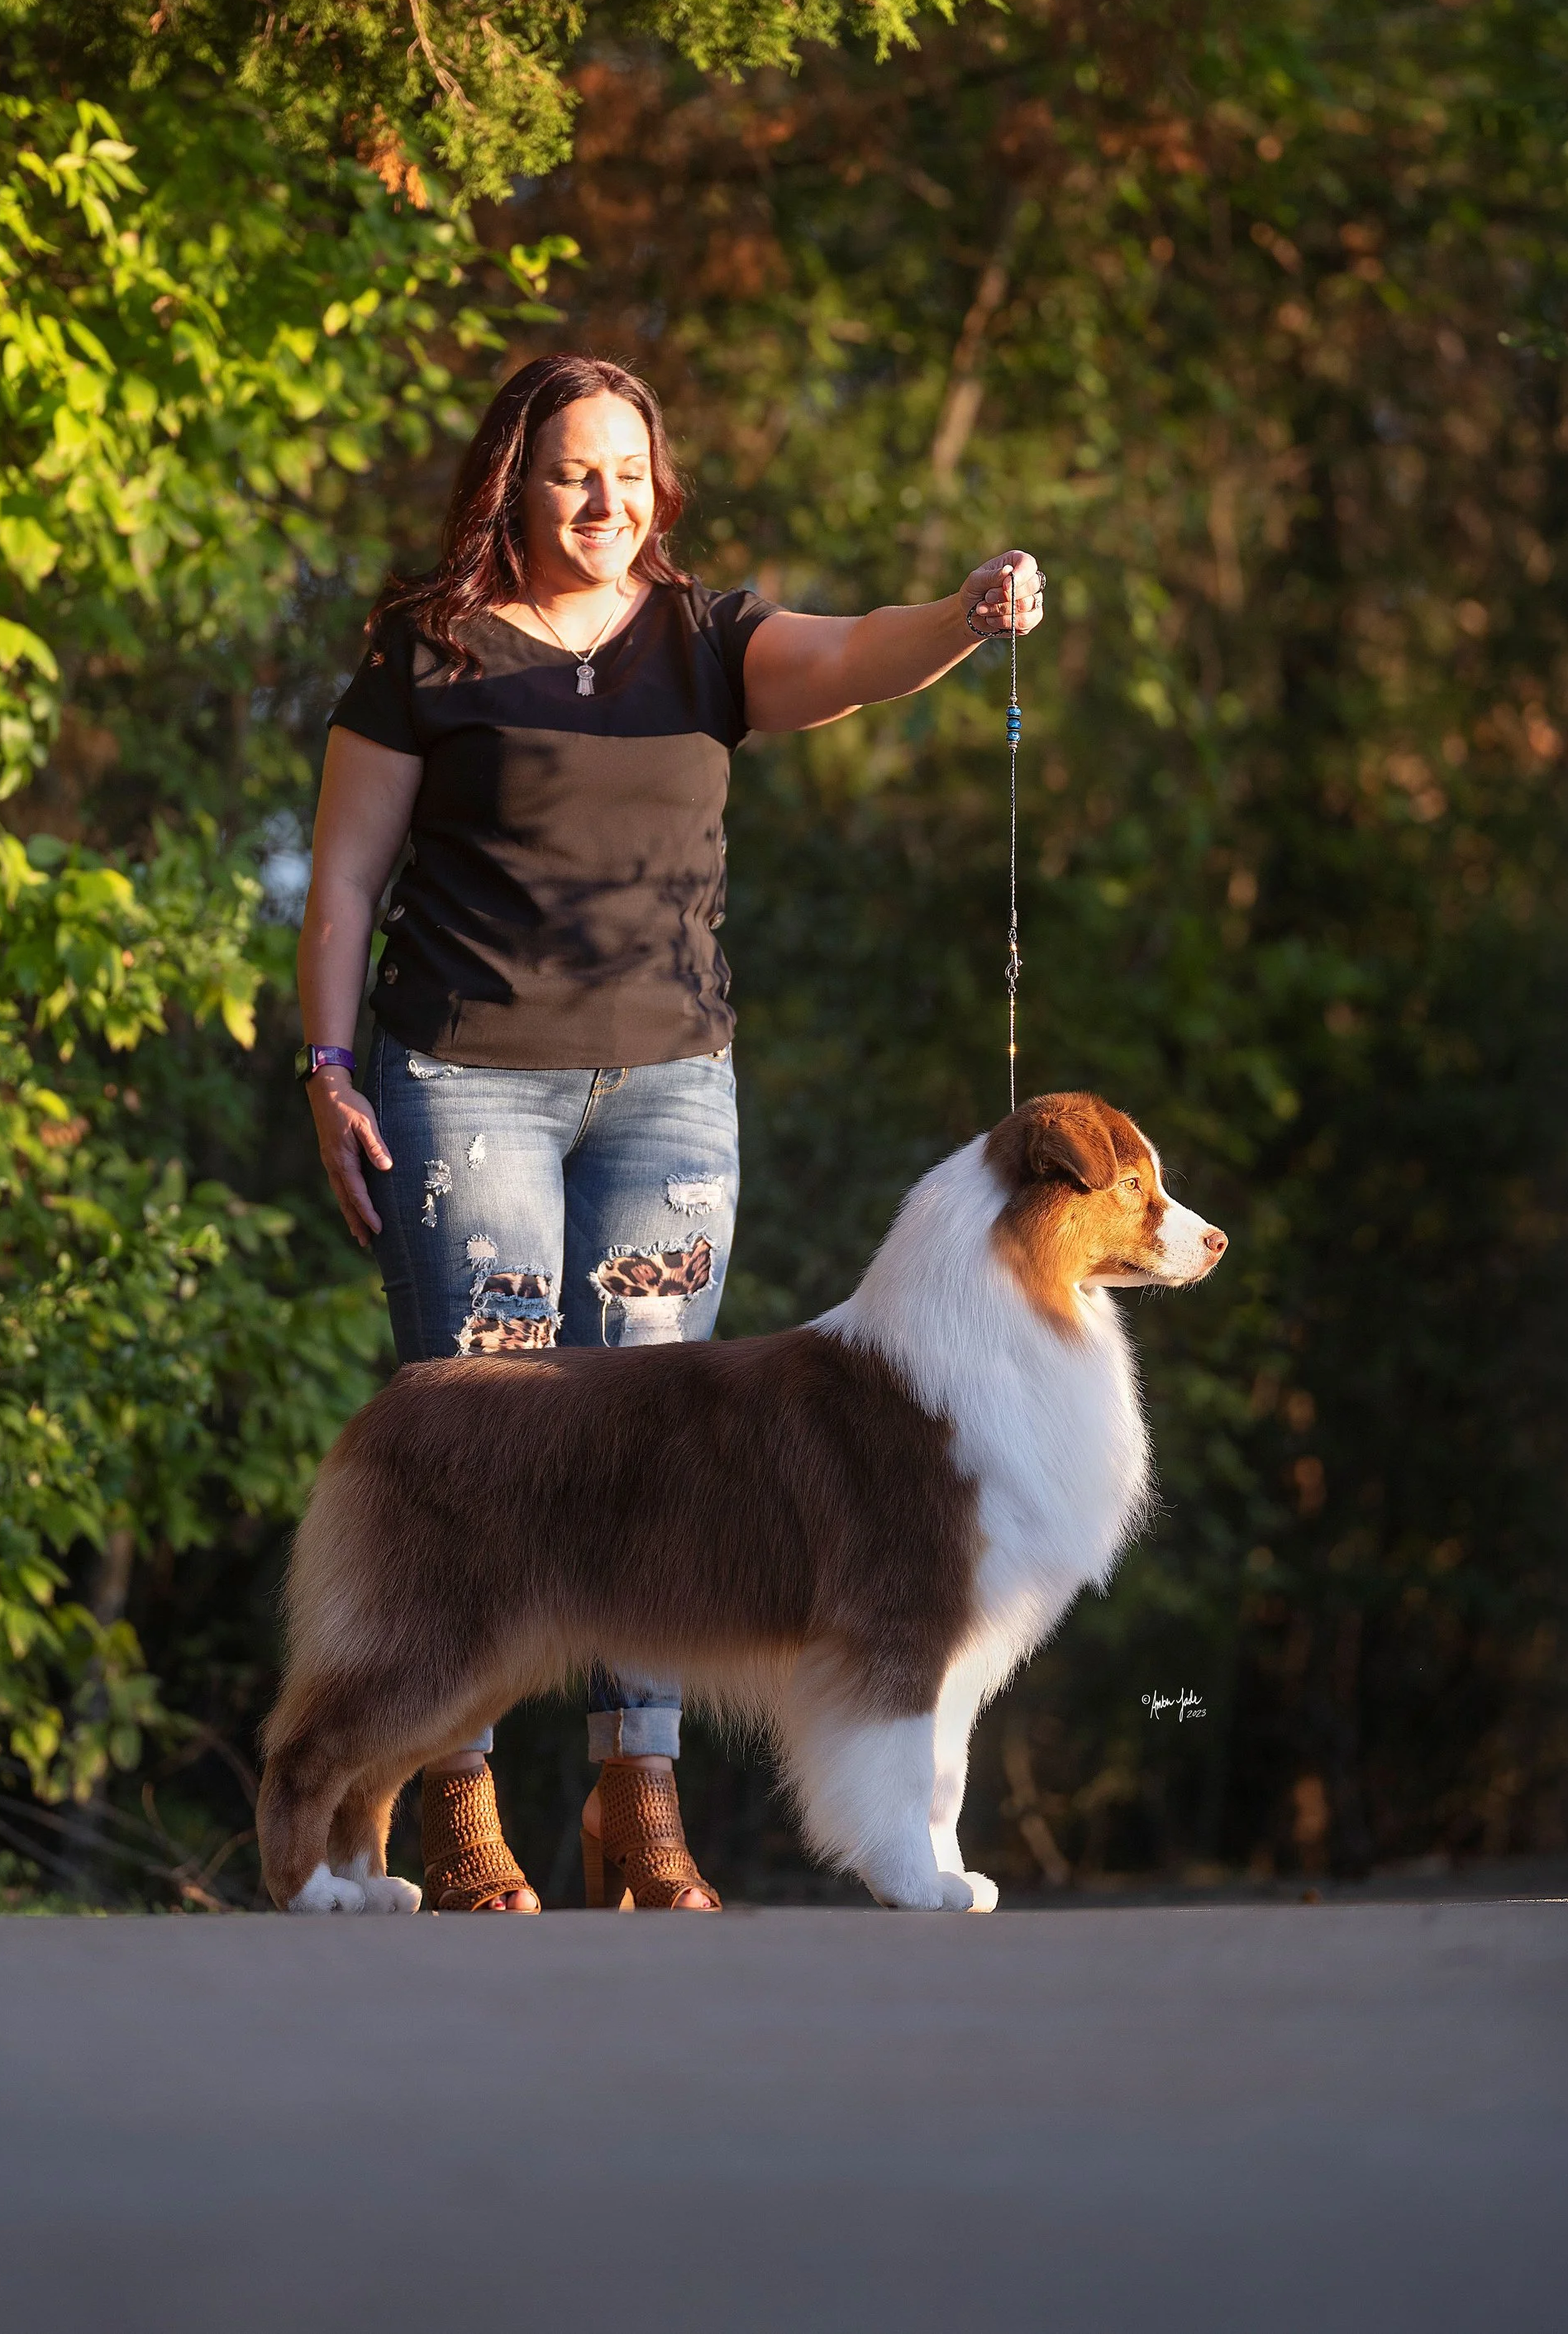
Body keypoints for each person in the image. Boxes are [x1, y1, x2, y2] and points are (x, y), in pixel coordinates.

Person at [296, 352, 1042, 1911]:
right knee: (494, 1446)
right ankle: (459, 1805)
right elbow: (350, 877)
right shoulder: (424, 652)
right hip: (465, 1082)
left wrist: (965, 617)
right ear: (517, 478)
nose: (606, 502)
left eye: (631, 474)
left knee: (661, 1452)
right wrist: (329, 1062)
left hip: (669, 1095)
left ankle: (638, 1807)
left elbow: (851, 657)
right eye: (575, 471)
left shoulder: (704, 641)